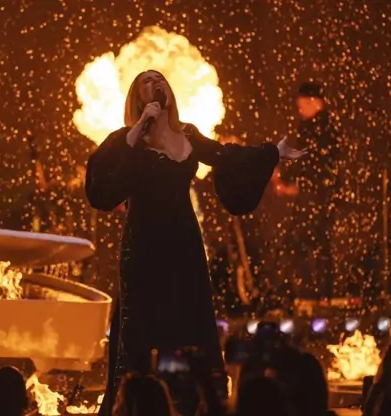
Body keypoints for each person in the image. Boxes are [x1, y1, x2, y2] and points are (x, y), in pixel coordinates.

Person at [84, 69, 305, 415]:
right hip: (144, 245)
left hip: (184, 243)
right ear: (137, 97)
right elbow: (103, 183)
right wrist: (139, 126)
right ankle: (138, 403)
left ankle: (189, 400)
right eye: (147, 81)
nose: (156, 83)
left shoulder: (187, 133)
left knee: (187, 318)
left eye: (159, 78)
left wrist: (271, 153)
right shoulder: (126, 139)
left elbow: (226, 156)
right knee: (142, 322)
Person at [278, 81, 340, 300]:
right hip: (321, 197)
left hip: (316, 198)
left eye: (301, 105)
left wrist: (291, 182)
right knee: (317, 245)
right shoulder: (325, 127)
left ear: (314, 102)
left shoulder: (317, 128)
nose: (299, 110)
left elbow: (310, 162)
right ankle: (320, 295)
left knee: (298, 244)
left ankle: (308, 295)